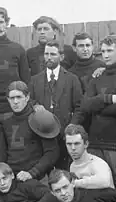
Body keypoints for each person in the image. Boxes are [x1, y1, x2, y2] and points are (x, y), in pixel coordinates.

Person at [81, 35, 116, 188]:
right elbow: (85, 105)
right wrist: (107, 99)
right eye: (103, 51)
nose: (105, 55)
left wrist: (97, 107)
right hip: (95, 141)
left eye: (110, 50)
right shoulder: (97, 77)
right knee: (97, 184)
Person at [28, 40, 84, 169]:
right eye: (46, 54)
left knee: (63, 171)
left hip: (64, 134)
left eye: (53, 54)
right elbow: (29, 100)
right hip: (41, 134)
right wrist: (35, 106)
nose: (48, 57)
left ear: (61, 57)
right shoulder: (35, 80)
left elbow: (80, 106)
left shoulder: (72, 79)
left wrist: (72, 125)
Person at [1, 81, 59, 183]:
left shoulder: (39, 119)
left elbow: (52, 153)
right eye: (12, 98)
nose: (15, 101)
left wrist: (32, 173)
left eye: (19, 97)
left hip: (36, 179)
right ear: (7, 99)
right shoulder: (6, 122)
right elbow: (2, 153)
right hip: (12, 180)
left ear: (27, 98)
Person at [64, 124, 114, 189]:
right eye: (69, 144)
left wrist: (75, 183)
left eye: (77, 144)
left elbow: (105, 181)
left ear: (86, 144)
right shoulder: (72, 166)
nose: (73, 148)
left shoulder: (97, 163)